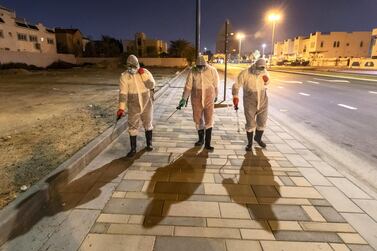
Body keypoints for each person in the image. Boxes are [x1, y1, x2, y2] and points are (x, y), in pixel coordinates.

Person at [178, 55, 219, 150]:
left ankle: (208, 143)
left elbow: (216, 85)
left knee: (209, 119)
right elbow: (188, 86)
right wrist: (184, 98)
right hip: (196, 98)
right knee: (198, 118)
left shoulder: (212, 70)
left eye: (202, 66)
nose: (200, 69)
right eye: (198, 67)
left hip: (209, 97)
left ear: (205, 64)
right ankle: (201, 140)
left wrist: (216, 95)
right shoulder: (192, 71)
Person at [117, 55, 155, 157]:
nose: (131, 68)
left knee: (148, 122)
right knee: (133, 125)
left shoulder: (145, 72)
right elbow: (123, 93)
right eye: (129, 66)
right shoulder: (124, 76)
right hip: (133, 105)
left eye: (133, 66)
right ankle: (133, 149)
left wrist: (143, 75)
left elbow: (151, 85)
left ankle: (149, 143)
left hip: (147, 102)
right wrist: (121, 108)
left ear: (137, 65)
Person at [232, 58, 270, 151]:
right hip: (250, 101)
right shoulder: (245, 73)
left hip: (263, 99)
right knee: (250, 122)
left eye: (262, 69)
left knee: (262, 121)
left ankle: (258, 138)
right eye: (259, 68)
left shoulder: (264, 72)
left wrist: (266, 80)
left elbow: (267, 82)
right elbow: (236, 85)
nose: (260, 71)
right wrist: (235, 96)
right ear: (255, 65)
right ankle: (249, 143)